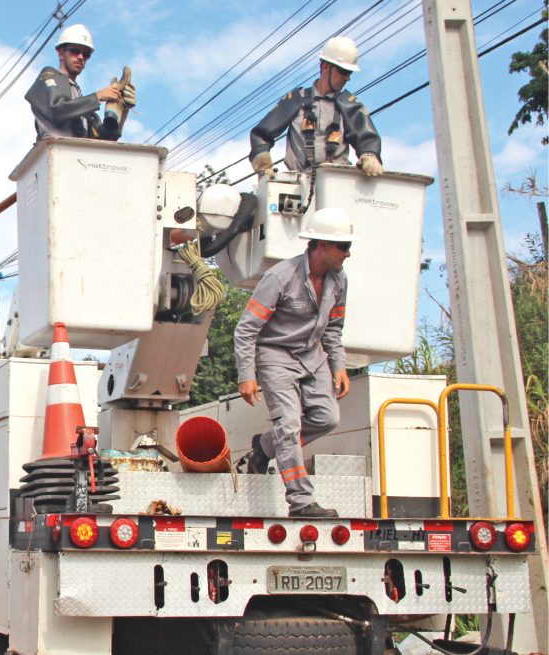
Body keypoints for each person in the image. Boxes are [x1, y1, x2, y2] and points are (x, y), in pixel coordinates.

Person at [233, 207, 354, 519]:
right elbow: (246, 329)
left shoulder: (339, 281)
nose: (348, 254)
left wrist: (338, 366)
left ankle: (264, 447)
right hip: (276, 358)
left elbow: (334, 330)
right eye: (344, 247)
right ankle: (301, 502)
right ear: (322, 245)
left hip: (313, 358)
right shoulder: (279, 277)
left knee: (328, 418)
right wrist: (247, 374)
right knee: (289, 427)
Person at [248, 36, 383, 178]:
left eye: (350, 73)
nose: (347, 78)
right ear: (325, 67)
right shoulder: (296, 99)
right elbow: (261, 134)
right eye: (344, 71)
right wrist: (262, 159)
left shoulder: (351, 105)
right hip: (298, 184)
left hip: (338, 183)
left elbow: (367, 138)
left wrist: (370, 155)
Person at [24, 24, 135, 142]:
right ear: (61, 53)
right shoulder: (48, 77)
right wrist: (98, 96)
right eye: (75, 51)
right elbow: (55, 111)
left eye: (86, 54)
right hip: (54, 153)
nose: (81, 57)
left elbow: (100, 139)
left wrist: (121, 111)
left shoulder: (79, 98)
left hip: (77, 156)